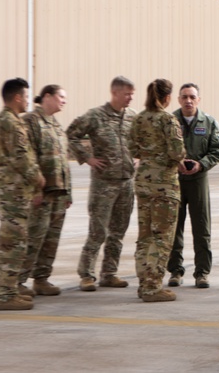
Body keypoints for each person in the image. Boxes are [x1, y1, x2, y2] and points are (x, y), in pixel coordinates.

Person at [67, 76, 136, 291]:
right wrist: (87, 158)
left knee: (118, 231)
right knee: (98, 231)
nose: (130, 98)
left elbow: (141, 141)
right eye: (127, 94)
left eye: (132, 94)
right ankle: (87, 274)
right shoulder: (95, 116)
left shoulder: (133, 117)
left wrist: (139, 157)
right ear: (114, 93)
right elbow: (71, 135)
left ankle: (110, 273)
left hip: (126, 182)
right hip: (104, 184)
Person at [0, 77, 44, 310]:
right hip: (13, 191)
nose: (29, 102)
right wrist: (38, 179)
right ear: (18, 97)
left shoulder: (4, 120)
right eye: (27, 97)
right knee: (13, 243)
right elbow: (21, 157)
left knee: (13, 242)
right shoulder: (10, 123)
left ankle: (8, 289)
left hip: (12, 189)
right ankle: (4, 296)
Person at [129, 78, 185, 302]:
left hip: (143, 183)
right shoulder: (168, 120)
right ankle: (153, 287)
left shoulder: (139, 119)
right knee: (161, 237)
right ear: (167, 97)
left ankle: (144, 283)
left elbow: (132, 147)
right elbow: (177, 152)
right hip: (164, 186)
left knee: (144, 237)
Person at [166, 83, 219, 289]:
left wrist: (202, 164)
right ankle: (175, 270)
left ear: (198, 99)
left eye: (192, 97)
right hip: (175, 181)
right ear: (179, 99)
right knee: (174, 227)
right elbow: (162, 149)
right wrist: (176, 162)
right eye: (184, 97)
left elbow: (217, 150)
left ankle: (202, 272)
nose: (188, 101)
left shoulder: (208, 122)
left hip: (199, 180)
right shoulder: (169, 122)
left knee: (202, 228)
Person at [18, 84, 71, 297]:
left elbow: (63, 162)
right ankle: (18, 281)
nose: (64, 101)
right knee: (33, 237)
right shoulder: (30, 122)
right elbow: (27, 159)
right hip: (42, 192)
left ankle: (42, 279)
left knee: (51, 239)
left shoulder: (56, 125)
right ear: (47, 96)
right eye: (61, 96)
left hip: (58, 192)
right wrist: (34, 190)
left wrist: (68, 192)